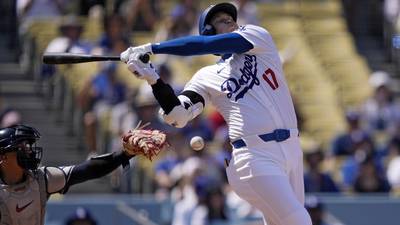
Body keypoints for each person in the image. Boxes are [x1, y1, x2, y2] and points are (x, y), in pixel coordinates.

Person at [121, 2, 312, 225]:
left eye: (231, 19)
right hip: (254, 156)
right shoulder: (206, 76)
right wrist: (154, 80)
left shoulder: (258, 38)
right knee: (299, 221)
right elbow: (177, 115)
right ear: (208, 31)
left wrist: (154, 47)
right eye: (222, 21)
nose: (230, 22)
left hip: (292, 149)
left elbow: (203, 44)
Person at [0, 124, 137, 224]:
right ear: (3, 156)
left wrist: (124, 154)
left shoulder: (42, 179)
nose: (29, 152)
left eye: (28, 146)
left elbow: (88, 170)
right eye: (22, 148)